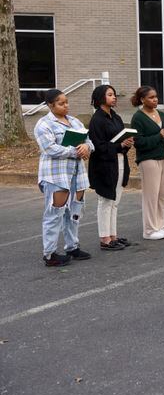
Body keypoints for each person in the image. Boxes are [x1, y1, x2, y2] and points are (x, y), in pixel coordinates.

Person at [34, 89, 94, 266]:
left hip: (77, 175)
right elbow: (50, 149)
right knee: (54, 214)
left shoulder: (74, 121)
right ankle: (49, 253)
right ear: (50, 105)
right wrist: (76, 151)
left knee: (74, 211)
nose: (66, 105)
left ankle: (72, 246)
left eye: (67, 102)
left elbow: (89, 141)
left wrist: (86, 147)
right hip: (56, 176)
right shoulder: (43, 124)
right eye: (61, 103)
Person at [88, 84, 134, 251]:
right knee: (106, 200)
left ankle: (113, 236)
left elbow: (121, 139)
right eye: (110, 95)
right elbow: (98, 146)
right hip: (104, 165)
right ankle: (104, 238)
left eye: (114, 94)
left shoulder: (115, 117)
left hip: (119, 161)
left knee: (115, 201)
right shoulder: (96, 120)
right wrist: (118, 145)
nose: (114, 97)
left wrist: (127, 143)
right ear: (101, 98)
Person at [130, 86, 164, 240]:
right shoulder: (138, 118)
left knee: (163, 194)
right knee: (151, 195)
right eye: (151, 97)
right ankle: (150, 229)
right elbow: (139, 143)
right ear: (142, 99)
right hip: (149, 159)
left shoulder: (162, 114)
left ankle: (160, 225)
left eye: (156, 96)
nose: (155, 99)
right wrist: (160, 135)